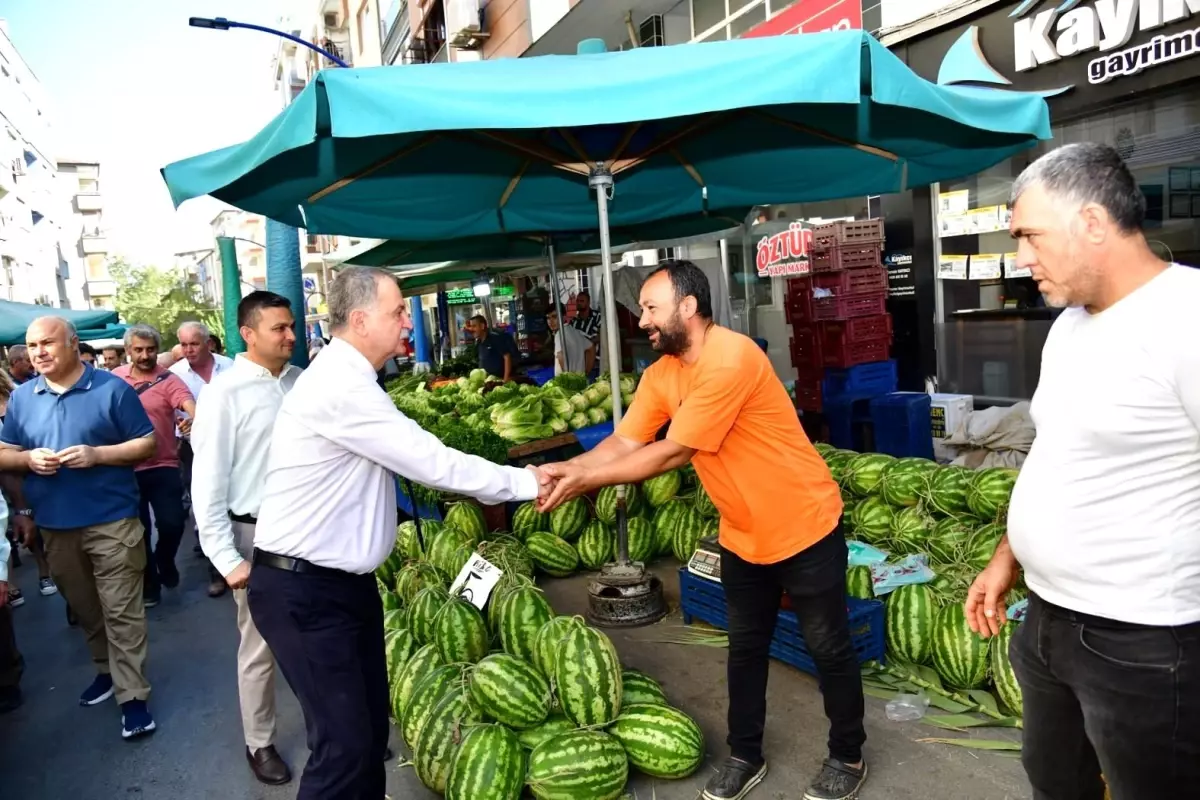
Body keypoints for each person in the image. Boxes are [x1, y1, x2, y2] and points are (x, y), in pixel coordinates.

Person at [538, 260, 866, 800]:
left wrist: (583, 482)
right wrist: (571, 470)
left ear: (688, 308)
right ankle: (745, 754)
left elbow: (673, 451)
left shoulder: (731, 357)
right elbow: (626, 442)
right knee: (745, 647)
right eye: (641, 308)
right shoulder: (662, 373)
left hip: (804, 525)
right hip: (742, 533)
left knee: (827, 647)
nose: (641, 319)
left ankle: (847, 755)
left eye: (650, 308)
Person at [248, 267, 550, 799]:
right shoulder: (341, 386)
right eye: (394, 314)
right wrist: (523, 482)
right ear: (360, 320)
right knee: (341, 749)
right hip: (307, 593)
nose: (405, 326)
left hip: (338, 588)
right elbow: (429, 461)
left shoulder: (351, 379)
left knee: (365, 737)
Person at [965, 143, 1200, 800]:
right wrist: (1008, 554)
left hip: (1145, 643)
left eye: (1029, 236)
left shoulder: (1188, 320)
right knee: (1055, 781)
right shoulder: (1069, 325)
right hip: (1048, 622)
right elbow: (1058, 453)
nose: (1021, 259)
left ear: (1093, 223)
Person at [0, 316, 157, 739]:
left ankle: (133, 697)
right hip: (55, 525)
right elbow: (3, 452)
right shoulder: (22, 399)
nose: (38, 352)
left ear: (72, 344)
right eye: (32, 345)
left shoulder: (112, 388)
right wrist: (28, 460)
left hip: (112, 520)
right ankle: (107, 671)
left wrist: (97, 455)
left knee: (121, 610)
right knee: (86, 608)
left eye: (47, 343)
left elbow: (148, 443)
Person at [192, 292, 301, 786]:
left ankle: (331, 728)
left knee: (317, 635)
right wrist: (226, 558)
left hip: (310, 530)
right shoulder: (224, 393)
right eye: (280, 328)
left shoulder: (303, 383)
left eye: (292, 326)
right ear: (249, 334)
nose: (291, 336)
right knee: (259, 645)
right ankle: (260, 742)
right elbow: (207, 483)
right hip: (255, 534)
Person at [112, 325, 196, 607]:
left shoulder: (168, 380)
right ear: (128, 351)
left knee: (172, 524)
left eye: (150, 349)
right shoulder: (113, 380)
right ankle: (150, 584)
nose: (145, 355)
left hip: (163, 465)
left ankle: (165, 560)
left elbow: (187, 403)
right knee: (138, 532)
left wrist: (194, 418)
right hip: (125, 468)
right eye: (138, 350)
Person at [170, 321, 234, 598]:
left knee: (236, 501)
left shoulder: (231, 367)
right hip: (192, 449)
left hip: (233, 445)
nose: (188, 350)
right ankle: (216, 571)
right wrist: (181, 428)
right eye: (183, 345)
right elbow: (170, 413)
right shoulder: (174, 375)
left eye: (193, 344)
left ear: (208, 343)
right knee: (204, 506)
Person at [0, 368, 55, 606]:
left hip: (24, 469)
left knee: (31, 520)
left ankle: (45, 571)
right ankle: (9, 583)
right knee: (7, 528)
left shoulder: (17, 399)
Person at [466, 314, 517, 382]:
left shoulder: (495, 338)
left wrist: (505, 379)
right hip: (488, 382)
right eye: (471, 327)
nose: (471, 329)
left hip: (499, 381)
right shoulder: (479, 343)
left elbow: (507, 356)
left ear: (482, 326)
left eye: (474, 326)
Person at [547, 306, 595, 375]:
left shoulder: (559, 334)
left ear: (563, 317)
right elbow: (591, 347)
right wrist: (587, 372)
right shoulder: (575, 332)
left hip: (566, 383)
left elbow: (560, 356)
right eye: (548, 318)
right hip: (579, 380)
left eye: (554, 317)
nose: (550, 321)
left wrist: (568, 377)